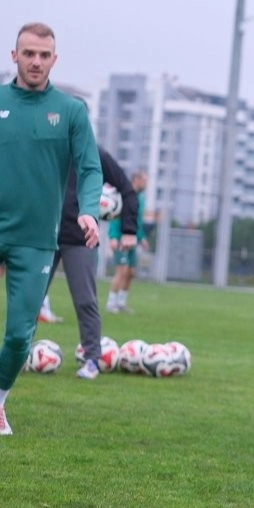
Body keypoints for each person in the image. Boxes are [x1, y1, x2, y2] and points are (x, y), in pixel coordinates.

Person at [0, 22, 102, 436]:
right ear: (14, 56)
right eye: (29, 53)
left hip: (36, 241)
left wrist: (89, 210)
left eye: (44, 55)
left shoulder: (71, 111)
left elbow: (91, 168)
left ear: (54, 60)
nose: (36, 61)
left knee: (19, 337)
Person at [50, 145, 139, 379]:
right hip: (42, 235)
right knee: (28, 301)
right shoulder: (47, 147)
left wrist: (129, 230)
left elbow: (127, 189)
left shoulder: (94, 153)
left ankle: (91, 361)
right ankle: (17, 356)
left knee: (85, 301)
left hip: (80, 238)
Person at [106, 171, 148, 313]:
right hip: (120, 238)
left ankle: (121, 302)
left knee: (131, 272)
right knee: (122, 271)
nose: (146, 184)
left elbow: (137, 221)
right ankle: (111, 303)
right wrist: (113, 237)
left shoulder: (140, 198)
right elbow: (115, 217)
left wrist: (141, 237)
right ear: (136, 179)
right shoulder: (123, 195)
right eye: (144, 180)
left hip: (133, 239)